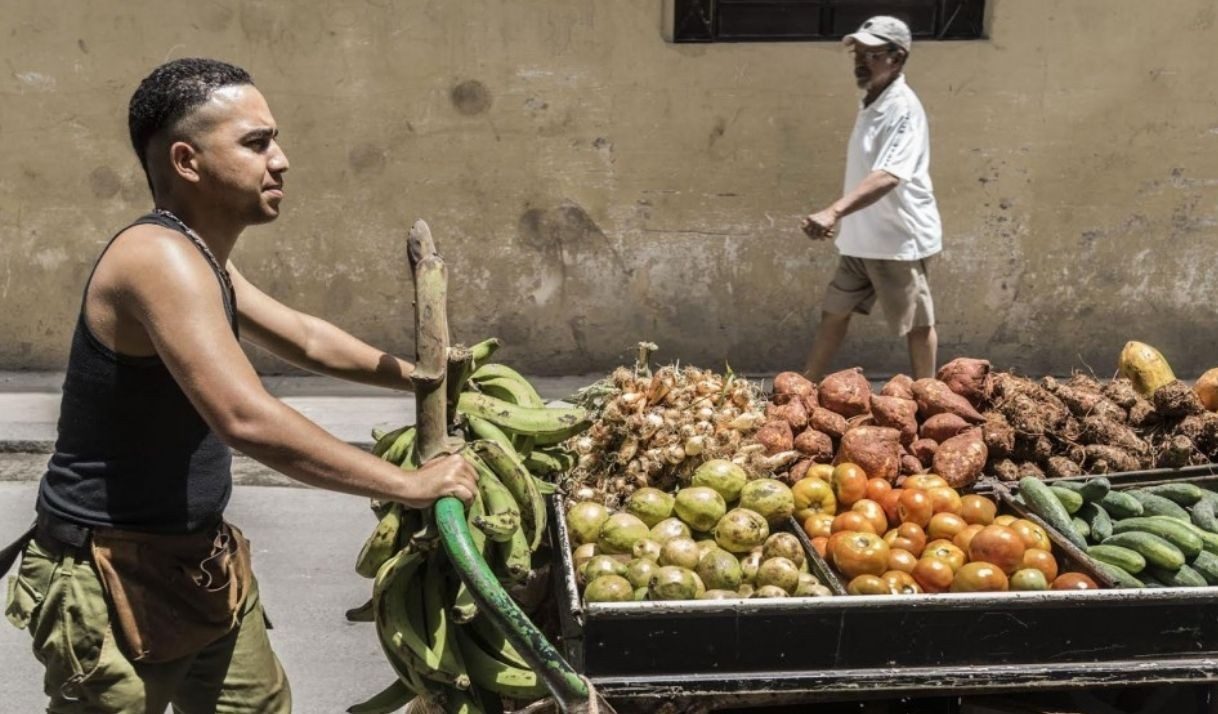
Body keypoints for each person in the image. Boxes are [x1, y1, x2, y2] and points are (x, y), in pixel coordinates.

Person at [0, 58, 478, 712]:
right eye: (256, 143)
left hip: (203, 567)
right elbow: (245, 419)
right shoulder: (156, 258)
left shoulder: (200, 254)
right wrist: (406, 484)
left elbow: (306, 337)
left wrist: (425, 378)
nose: (280, 161)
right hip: (107, 579)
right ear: (187, 161)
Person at [800, 16, 943, 381]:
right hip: (859, 240)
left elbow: (888, 175)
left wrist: (834, 211)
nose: (860, 61)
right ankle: (804, 387)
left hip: (896, 240)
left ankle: (930, 400)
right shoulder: (872, 99)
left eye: (871, 54)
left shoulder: (903, 108)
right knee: (834, 311)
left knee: (916, 324)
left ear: (896, 58)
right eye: (857, 53)